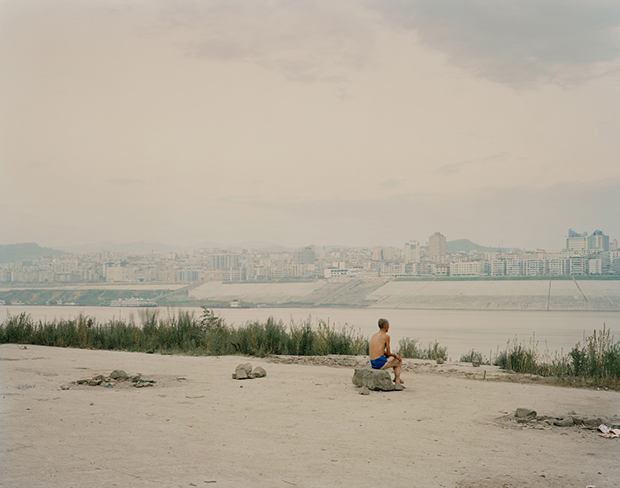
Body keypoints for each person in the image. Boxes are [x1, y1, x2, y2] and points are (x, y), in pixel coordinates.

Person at [369, 318, 404, 386]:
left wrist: (391, 355)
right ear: (386, 327)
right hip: (379, 363)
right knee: (397, 361)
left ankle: (397, 379)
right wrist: (395, 355)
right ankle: (397, 381)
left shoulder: (374, 335)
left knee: (394, 359)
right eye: (388, 326)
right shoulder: (386, 336)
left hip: (372, 362)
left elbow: (377, 350)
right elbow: (388, 354)